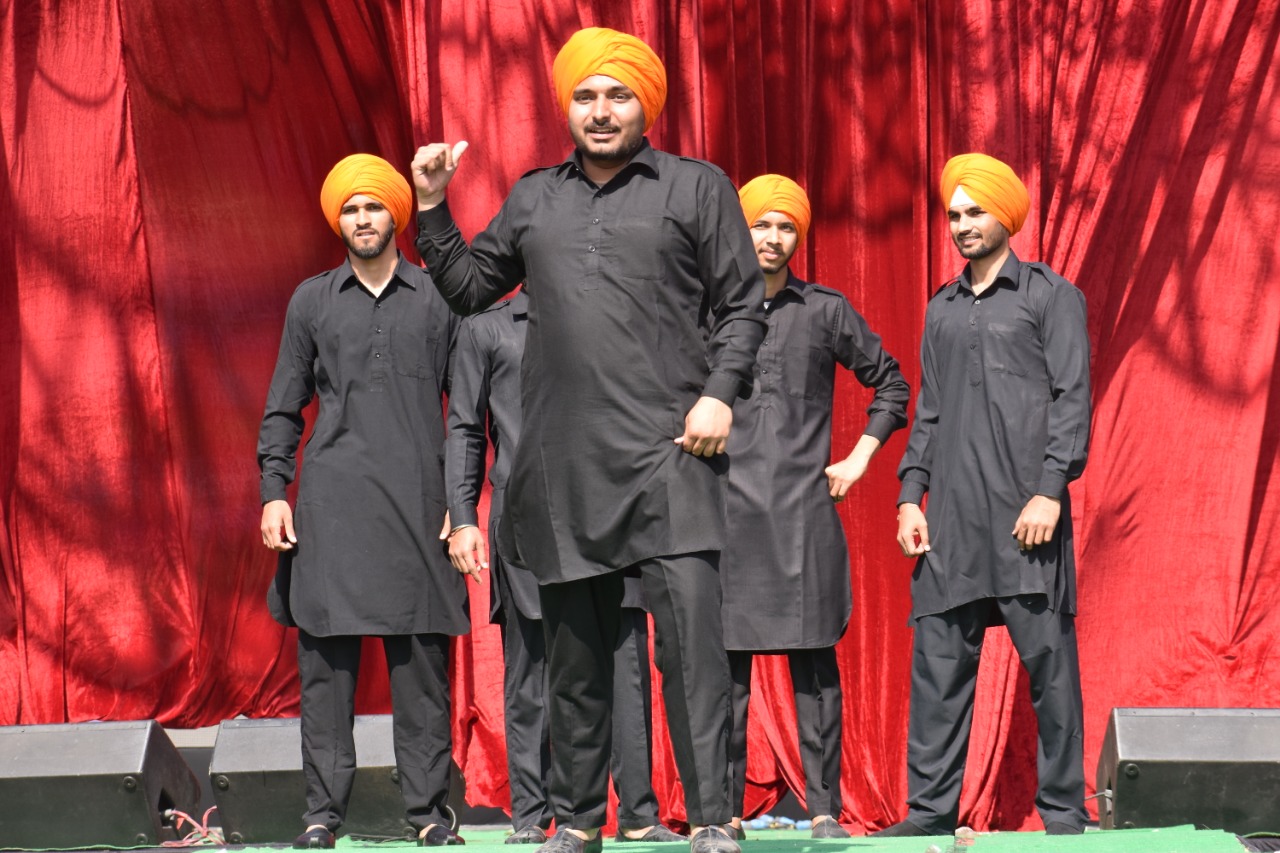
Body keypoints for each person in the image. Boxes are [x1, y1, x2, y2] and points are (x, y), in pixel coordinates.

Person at [411, 26, 766, 853]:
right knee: (574, 662)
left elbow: (743, 305)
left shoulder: (697, 187)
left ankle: (713, 817)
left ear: (647, 106)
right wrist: (431, 205)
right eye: (585, 96)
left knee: (692, 652)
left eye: (617, 95)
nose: (600, 111)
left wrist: (719, 396)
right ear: (565, 108)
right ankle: (577, 818)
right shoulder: (535, 197)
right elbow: (470, 289)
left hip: (673, 453)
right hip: (565, 464)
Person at [874, 153, 1091, 837]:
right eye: (954, 215)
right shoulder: (941, 308)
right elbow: (930, 411)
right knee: (938, 671)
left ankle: (1064, 814)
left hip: (1027, 515)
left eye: (976, 212)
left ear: (1007, 216)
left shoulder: (1050, 296)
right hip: (952, 522)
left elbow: (1072, 399)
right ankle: (928, 812)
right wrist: (911, 496)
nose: (963, 225)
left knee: (1050, 671)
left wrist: (1050, 491)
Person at [257, 154, 468, 849]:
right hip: (331, 508)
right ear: (337, 220)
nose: (363, 218)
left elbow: (470, 411)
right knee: (324, 675)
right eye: (351, 209)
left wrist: (462, 501)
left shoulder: (437, 298)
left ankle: (430, 815)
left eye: (374, 206)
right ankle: (322, 815)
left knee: (423, 674)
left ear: (396, 214)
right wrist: (274, 493)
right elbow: (283, 407)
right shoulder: (311, 301)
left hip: (420, 507)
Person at [443, 288, 687, 845]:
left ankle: (638, 814)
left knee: (624, 659)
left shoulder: (614, 307)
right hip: (527, 513)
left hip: (613, 509)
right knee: (532, 665)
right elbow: (464, 428)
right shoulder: (487, 329)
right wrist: (462, 517)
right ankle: (534, 815)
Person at [720, 176, 909, 840]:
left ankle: (825, 808)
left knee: (816, 670)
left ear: (798, 237)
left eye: (785, 227)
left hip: (803, 515)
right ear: (739, 231)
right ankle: (723, 811)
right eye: (760, 225)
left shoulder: (825, 310)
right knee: (723, 678)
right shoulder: (706, 311)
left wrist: (858, 459)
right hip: (723, 517)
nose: (772, 238)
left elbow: (892, 384)